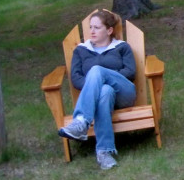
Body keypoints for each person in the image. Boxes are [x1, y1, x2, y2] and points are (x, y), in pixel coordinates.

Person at [58, 10, 137, 170]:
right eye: (90, 27)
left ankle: (81, 121)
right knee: (105, 92)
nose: (92, 31)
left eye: (97, 27)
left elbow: (130, 71)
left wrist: (102, 76)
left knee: (96, 71)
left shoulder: (122, 47)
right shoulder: (81, 50)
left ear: (109, 30)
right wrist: (99, 85)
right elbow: (76, 78)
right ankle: (104, 153)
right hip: (100, 97)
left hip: (124, 93)